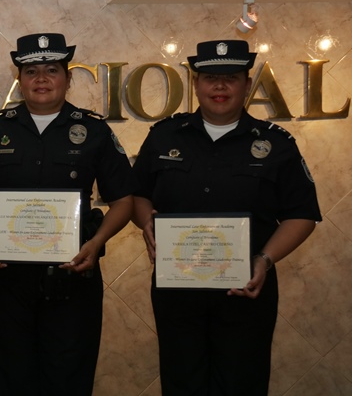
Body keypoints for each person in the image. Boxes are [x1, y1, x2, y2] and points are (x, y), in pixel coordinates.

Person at [0, 33, 135, 395]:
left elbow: (124, 199)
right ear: (19, 80)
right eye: (31, 71)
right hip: (8, 278)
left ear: (68, 77)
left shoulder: (94, 130)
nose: (42, 79)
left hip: (73, 274)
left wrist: (97, 241)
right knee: (12, 377)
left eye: (52, 70)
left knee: (69, 378)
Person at [131, 40, 321, 395]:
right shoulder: (163, 136)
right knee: (181, 382)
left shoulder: (276, 144)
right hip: (178, 289)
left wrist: (265, 259)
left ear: (247, 85)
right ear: (196, 84)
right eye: (210, 78)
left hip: (246, 289)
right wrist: (147, 224)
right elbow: (139, 194)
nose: (220, 86)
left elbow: (303, 215)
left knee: (242, 383)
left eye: (231, 77)